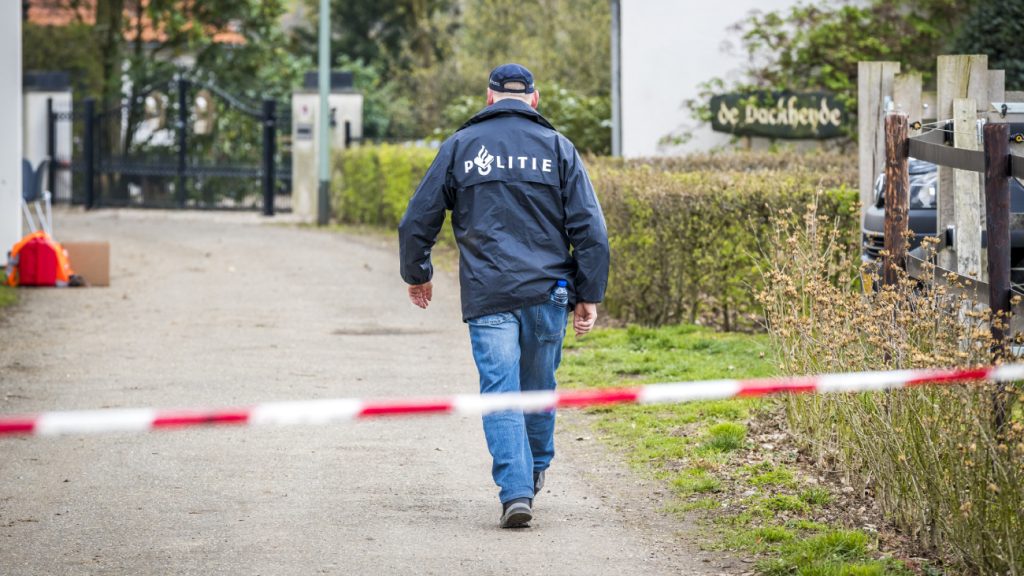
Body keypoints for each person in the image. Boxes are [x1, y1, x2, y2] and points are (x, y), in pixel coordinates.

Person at [398, 63, 610, 528]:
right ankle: (533, 472)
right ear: (534, 98)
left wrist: (418, 272)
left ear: (489, 97)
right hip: (548, 292)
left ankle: (515, 490)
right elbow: (590, 229)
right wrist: (587, 293)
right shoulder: (559, 148)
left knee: (500, 392)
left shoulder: (461, 146)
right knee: (538, 388)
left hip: (489, 292)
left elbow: (418, 218)